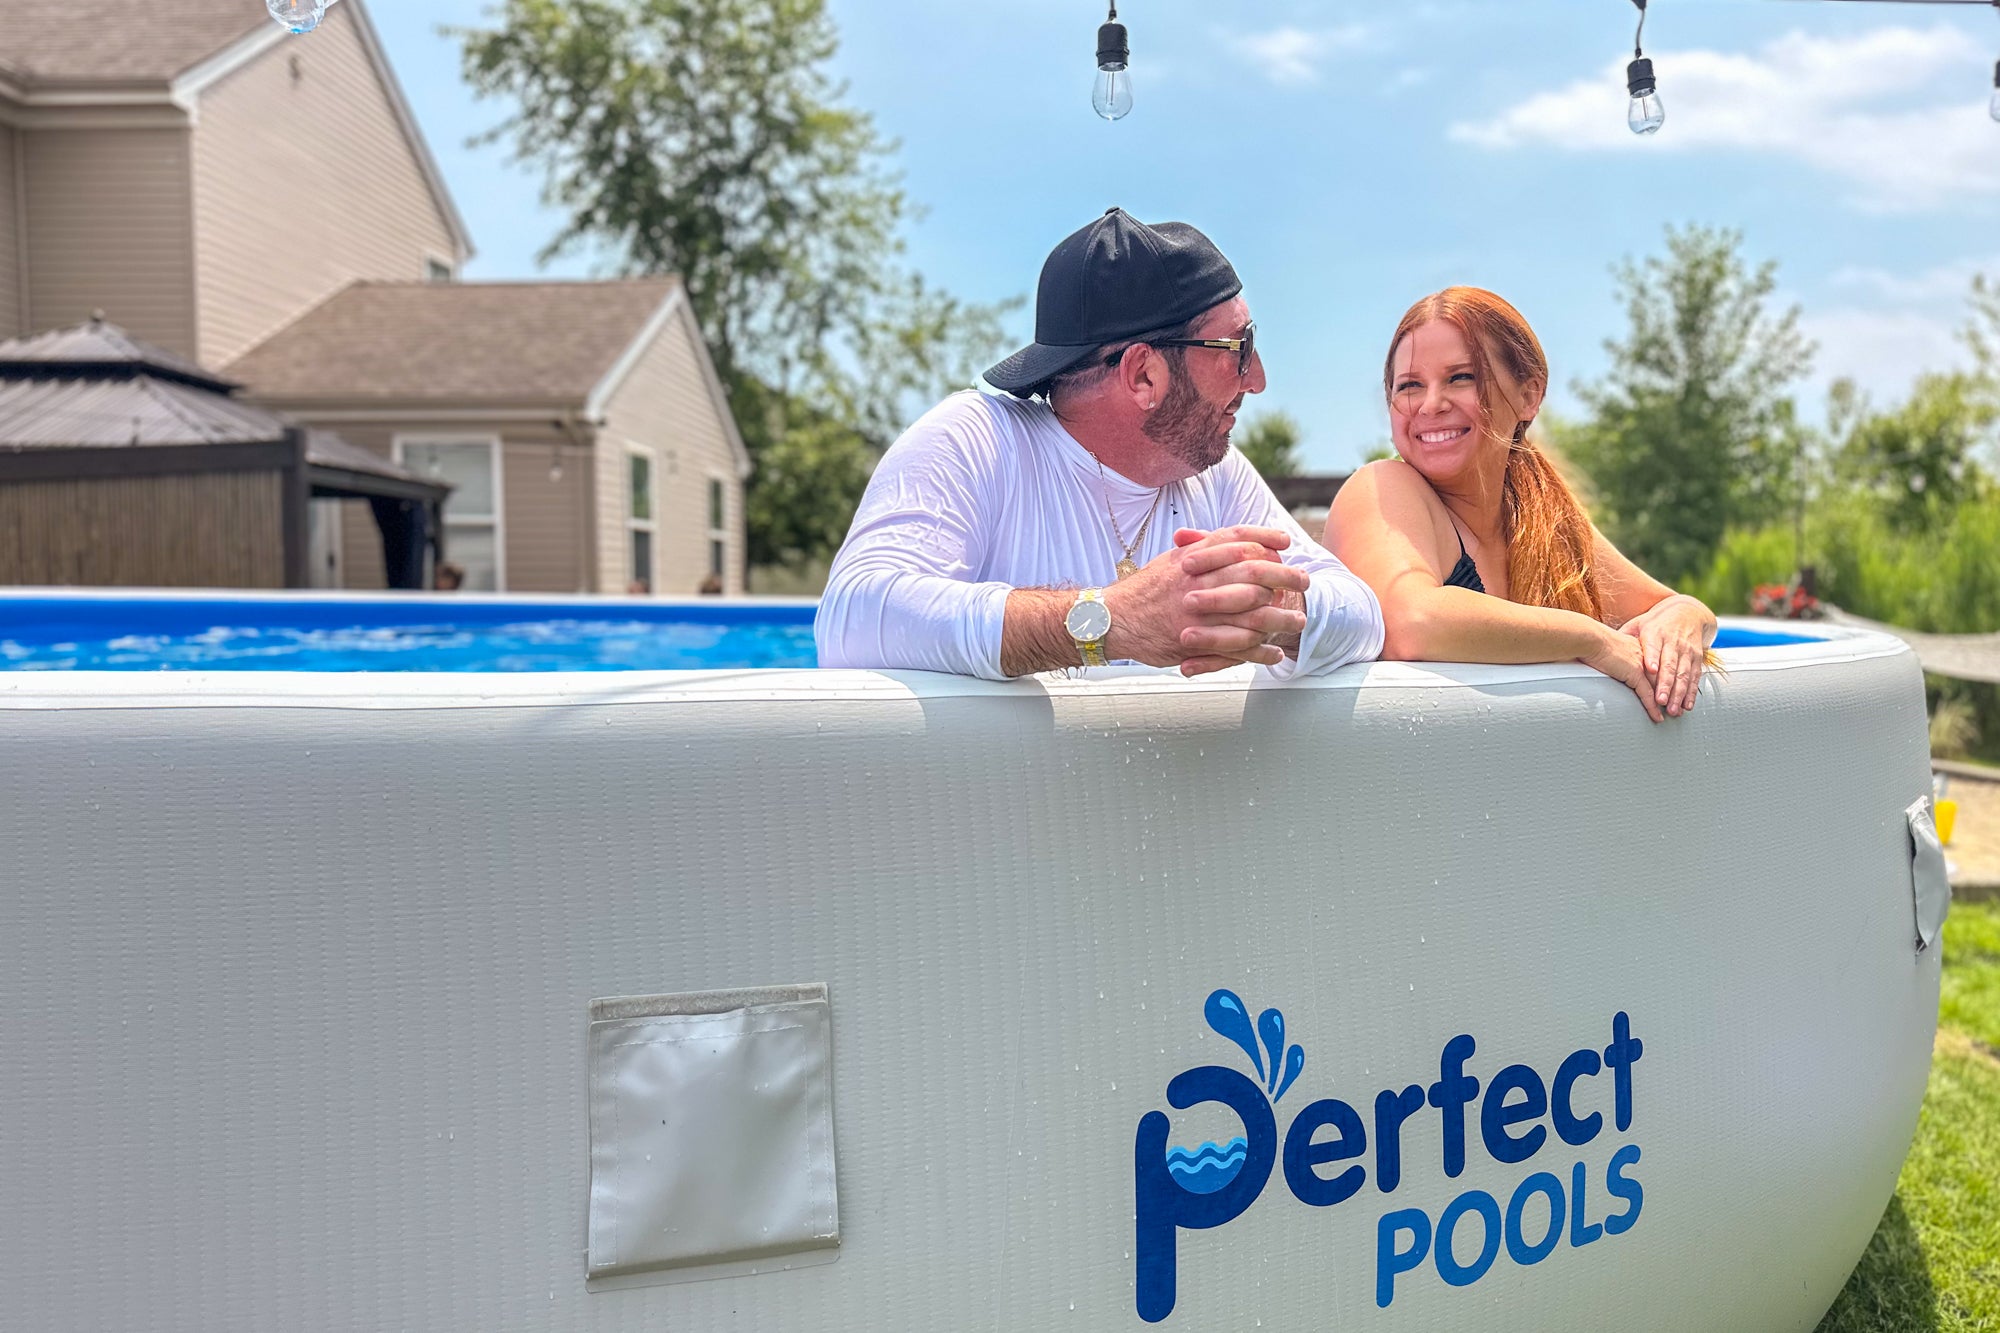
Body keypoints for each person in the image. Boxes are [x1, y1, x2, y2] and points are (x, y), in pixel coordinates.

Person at [814, 208, 1382, 679]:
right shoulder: (977, 440)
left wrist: (1273, 603)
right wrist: (1108, 620)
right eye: (1238, 346)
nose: (1256, 378)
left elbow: (1362, 614)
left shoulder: (1215, 473)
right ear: (1142, 376)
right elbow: (855, 618)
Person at [1326, 287, 1716, 722]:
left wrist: (1684, 621)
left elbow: (1669, 605)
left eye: (1461, 378)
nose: (1431, 404)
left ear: (1529, 396)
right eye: (1410, 386)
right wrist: (1591, 639)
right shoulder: (1383, 486)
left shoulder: (1542, 518)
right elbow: (1410, 622)